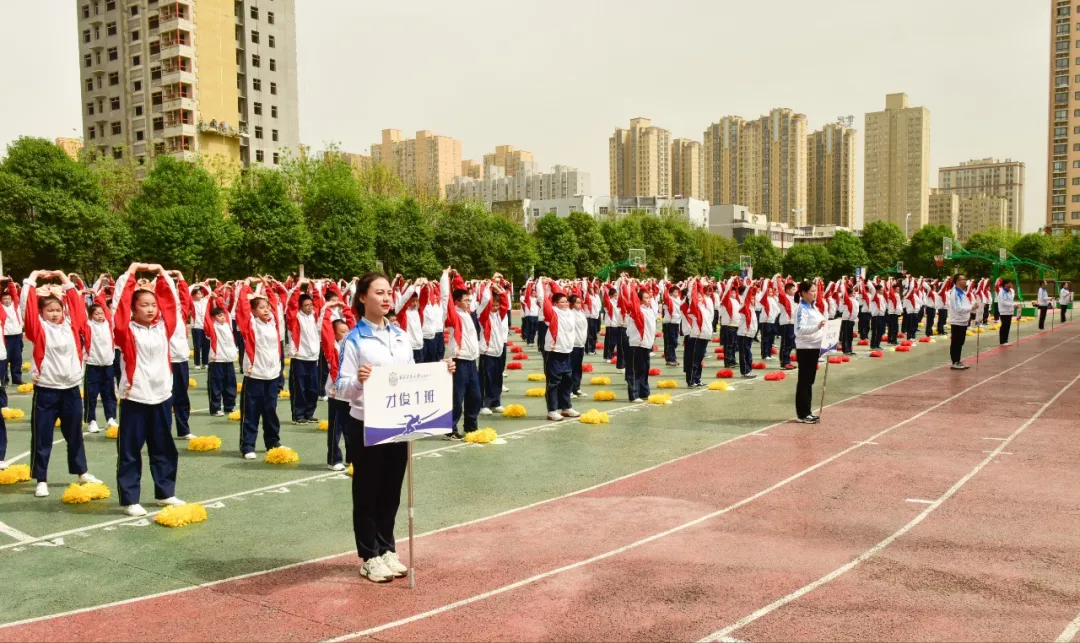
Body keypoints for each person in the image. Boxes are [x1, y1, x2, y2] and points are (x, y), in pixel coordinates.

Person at [336, 272, 454, 583]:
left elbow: (413, 376)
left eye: (389, 292)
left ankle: (387, 547)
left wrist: (440, 371)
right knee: (367, 491)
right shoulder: (353, 339)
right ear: (363, 298)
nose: (387, 298)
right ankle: (369, 555)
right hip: (365, 423)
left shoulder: (401, 336)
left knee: (391, 489)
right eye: (379, 292)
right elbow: (338, 387)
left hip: (398, 425)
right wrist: (358, 381)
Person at [112, 263, 187, 517]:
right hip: (136, 397)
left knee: (163, 448)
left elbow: (172, 302)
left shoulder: (164, 326)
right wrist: (131, 272)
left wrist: (162, 274)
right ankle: (130, 499)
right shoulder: (125, 330)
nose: (150, 308)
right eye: (144, 304)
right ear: (133, 307)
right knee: (130, 451)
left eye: (152, 305)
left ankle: (165, 492)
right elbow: (119, 305)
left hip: (162, 396)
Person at [22, 270, 103, 497]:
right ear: (41, 312)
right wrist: (34, 276)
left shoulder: (71, 325)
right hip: (47, 390)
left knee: (74, 433)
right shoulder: (37, 328)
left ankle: (82, 472)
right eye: (49, 311)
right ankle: (41, 479)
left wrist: (62, 276)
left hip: (70, 390)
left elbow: (77, 304)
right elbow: (26, 306)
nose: (55, 314)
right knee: (43, 436)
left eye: (58, 310)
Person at [235, 277, 284, 459]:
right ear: (253, 311)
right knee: (251, 413)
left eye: (267, 307)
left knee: (271, 411)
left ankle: (273, 441)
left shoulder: (274, 323)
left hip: (272, 375)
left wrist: (267, 285)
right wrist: (247, 284)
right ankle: (248, 445)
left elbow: (273, 301)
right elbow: (242, 306)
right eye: (261, 308)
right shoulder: (250, 325)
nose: (266, 310)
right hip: (255, 375)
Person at [445, 269, 482, 438]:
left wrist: (457, 276)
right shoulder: (454, 315)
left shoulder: (468, 314)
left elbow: (460, 289)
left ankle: (471, 427)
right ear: (457, 302)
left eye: (470, 299)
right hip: (459, 361)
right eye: (466, 300)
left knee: (475, 396)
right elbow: (448, 297)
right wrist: (445, 277)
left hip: (472, 362)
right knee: (456, 398)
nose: (469, 302)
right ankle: (450, 429)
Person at [536, 277, 580, 420]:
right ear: (555, 304)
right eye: (562, 302)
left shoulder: (569, 312)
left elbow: (560, 293)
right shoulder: (552, 312)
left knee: (567, 380)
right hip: (554, 352)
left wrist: (553, 283)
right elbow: (543, 299)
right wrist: (542, 283)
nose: (566, 303)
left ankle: (566, 407)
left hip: (567, 351)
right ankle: (552, 410)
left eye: (566, 301)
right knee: (553, 382)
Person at [321, 304, 352, 472]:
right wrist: (328, 308)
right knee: (336, 429)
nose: (346, 333)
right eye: (342, 331)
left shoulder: (353, 345)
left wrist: (345, 307)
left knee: (351, 428)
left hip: (351, 393)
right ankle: (333, 459)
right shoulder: (332, 347)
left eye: (347, 330)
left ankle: (351, 457)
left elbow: (354, 324)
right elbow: (325, 329)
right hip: (336, 393)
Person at [286, 282, 321, 425]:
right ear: (300, 306)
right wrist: (299, 285)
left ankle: (309, 413)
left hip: (313, 358)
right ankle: (298, 415)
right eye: (306, 305)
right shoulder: (295, 318)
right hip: (299, 357)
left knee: (313, 388)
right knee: (299, 388)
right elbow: (291, 303)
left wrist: (314, 286)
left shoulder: (315, 316)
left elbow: (319, 301)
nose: (310, 307)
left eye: (310, 304)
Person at [83, 291, 118, 434]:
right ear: (90, 315)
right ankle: (92, 421)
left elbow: (104, 304)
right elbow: (79, 311)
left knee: (109, 393)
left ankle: (110, 418)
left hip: (108, 365)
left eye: (101, 313)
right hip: (93, 365)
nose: (100, 315)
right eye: (96, 313)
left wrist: (100, 292)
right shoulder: (87, 325)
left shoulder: (109, 324)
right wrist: (81, 293)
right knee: (91, 395)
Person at [794, 281, 826, 424]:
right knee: (805, 381)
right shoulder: (802, 309)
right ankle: (802, 413)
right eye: (812, 291)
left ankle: (807, 411)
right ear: (804, 293)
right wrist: (817, 327)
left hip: (814, 347)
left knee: (809, 381)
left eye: (816, 290)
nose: (815, 293)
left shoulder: (814, 308)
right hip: (805, 348)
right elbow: (799, 330)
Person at [621, 279, 657, 402]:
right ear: (640, 300)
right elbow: (629, 298)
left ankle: (644, 392)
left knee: (644, 369)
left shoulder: (650, 310)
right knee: (635, 369)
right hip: (636, 343)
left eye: (649, 297)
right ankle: (634, 394)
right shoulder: (637, 310)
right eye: (645, 298)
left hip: (646, 343)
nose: (648, 299)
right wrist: (628, 284)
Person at [203, 297, 238, 418]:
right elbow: (206, 315)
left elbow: (225, 309)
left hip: (228, 361)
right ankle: (215, 408)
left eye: (223, 315)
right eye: (219, 315)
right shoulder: (212, 327)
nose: (222, 317)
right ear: (213, 318)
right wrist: (209, 298)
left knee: (230, 385)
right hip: (216, 361)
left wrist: (218, 298)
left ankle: (229, 406)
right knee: (216, 386)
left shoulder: (228, 325)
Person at [946, 275, 972, 370]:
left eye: (965, 279)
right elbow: (958, 308)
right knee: (956, 342)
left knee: (960, 342)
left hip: (963, 321)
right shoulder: (955, 293)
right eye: (963, 279)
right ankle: (955, 362)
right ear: (957, 281)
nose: (965, 281)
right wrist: (971, 308)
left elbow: (966, 305)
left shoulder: (962, 293)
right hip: (957, 321)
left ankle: (958, 360)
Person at [2, 278, 24, 386]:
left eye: (8, 298)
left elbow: (15, 294)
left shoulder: (15, 305)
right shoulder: (1, 307)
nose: (7, 300)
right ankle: (4, 380)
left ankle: (17, 379)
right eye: (4, 299)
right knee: (5, 359)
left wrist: (11, 282)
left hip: (17, 335)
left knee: (17, 359)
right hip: (6, 337)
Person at [190, 285, 210, 370]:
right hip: (196, 326)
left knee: (206, 345)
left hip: (205, 326)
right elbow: (187, 292)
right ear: (194, 295)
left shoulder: (205, 301)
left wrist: (203, 285)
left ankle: (205, 362)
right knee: (197, 346)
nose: (199, 295)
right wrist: (194, 285)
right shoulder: (191, 302)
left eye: (200, 293)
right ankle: (197, 363)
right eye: (197, 293)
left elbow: (209, 291)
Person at [996, 279, 1015, 345]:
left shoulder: (1009, 291)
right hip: (1004, 311)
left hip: (1009, 311)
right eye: (1009, 283)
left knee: (1007, 326)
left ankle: (1005, 340)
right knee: (1004, 326)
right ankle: (1002, 341)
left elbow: (1010, 300)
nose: (1011, 284)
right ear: (1005, 284)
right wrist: (1012, 305)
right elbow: (1002, 302)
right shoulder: (1002, 292)